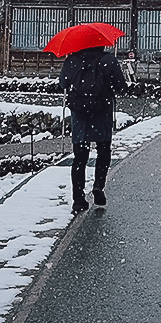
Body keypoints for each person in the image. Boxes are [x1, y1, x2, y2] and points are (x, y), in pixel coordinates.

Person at [59, 44, 127, 215]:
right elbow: (120, 85)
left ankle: (78, 199)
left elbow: (63, 83)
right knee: (103, 150)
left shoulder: (72, 60)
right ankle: (98, 186)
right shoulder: (108, 60)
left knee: (80, 158)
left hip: (80, 112)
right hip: (101, 110)